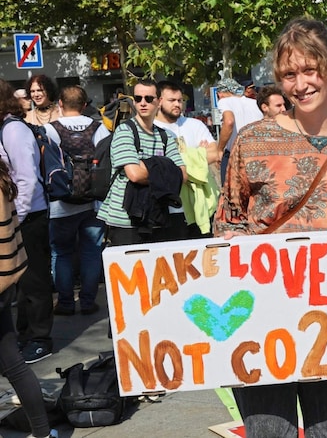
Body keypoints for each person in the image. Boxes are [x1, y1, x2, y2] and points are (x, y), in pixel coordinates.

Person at [214, 17, 327, 437]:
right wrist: (228, 240)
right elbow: (227, 216)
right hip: (259, 292)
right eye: (289, 74)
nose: (300, 84)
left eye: (310, 70)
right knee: (269, 427)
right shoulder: (253, 140)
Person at [0, 156, 58, 438]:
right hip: (5, 278)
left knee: (13, 362)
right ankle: (42, 432)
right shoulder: (2, 175)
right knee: (13, 362)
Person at [96, 79, 187, 246]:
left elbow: (182, 175)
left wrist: (147, 165)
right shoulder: (125, 131)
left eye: (148, 98)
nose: (142, 103)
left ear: (159, 102)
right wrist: (163, 167)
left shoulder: (166, 136)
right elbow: (135, 175)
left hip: (156, 217)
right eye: (138, 98)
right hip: (125, 221)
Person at [0, 79, 53, 364]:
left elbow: (27, 178)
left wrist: (16, 216)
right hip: (18, 216)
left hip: (28, 216)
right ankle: (26, 334)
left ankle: (40, 338)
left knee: (35, 281)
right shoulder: (6, 128)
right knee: (20, 282)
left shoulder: (14, 130)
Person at [45, 86, 109, 316]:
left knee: (61, 252)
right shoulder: (99, 128)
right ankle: (88, 301)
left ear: (60, 104)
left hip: (61, 205)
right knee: (91, 251)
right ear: (84, 105)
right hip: (93, 203)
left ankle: (65, 303)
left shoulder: (50, 130)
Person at [154, 80, 220, 238]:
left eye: (180, 100)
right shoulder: (152, 129)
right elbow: (161, 165)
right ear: (159, 101)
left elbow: (215, 153)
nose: (177, 104)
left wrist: (178, 160)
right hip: (170, 208)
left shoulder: (194, 124)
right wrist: (197, 154)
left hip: (200, 206)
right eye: (172, 100)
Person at [215, 78, 262, 186]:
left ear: (220, 94)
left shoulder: (224, 101)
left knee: (231, 195)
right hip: (256, 154)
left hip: (235, 155)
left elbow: (229, 121)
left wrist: (220, 149)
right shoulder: (255, 103)